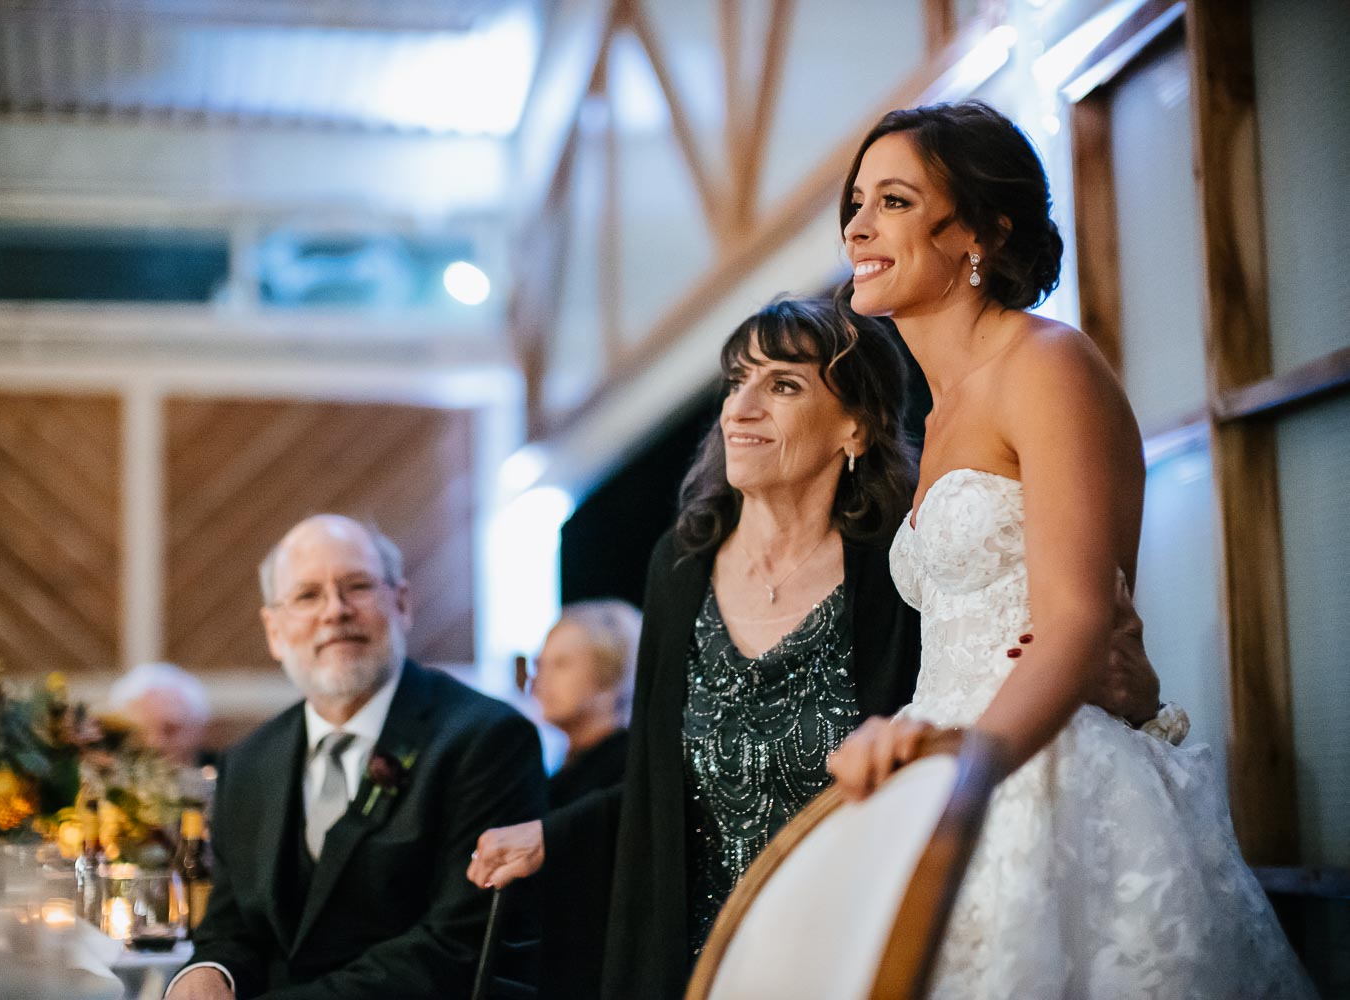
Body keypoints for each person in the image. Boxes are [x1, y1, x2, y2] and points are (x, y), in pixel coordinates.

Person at [468, 298, 1165, 999]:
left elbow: (972, 704)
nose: (740, 407)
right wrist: (556, 835)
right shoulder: (677, 569)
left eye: (783, 385)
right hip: (701, 962)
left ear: (855, 428)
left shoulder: (898, 569)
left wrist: (1117, 688)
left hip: (847, 949)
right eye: (737, 380)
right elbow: (664, 783)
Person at [826, 101, 1312, 997]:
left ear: (980, 228)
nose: (856, 224)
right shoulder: (932, 417)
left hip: (1038, 768)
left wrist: (969, 777)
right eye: (856, 201)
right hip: (938, 760)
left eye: (893, 201)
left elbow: (1083, 617)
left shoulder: (1047, 365)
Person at [168, 514, 546, 1000]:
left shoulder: (485, 740)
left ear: (403, 603)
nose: (335, 611)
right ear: (274, 631)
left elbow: (458, 946)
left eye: (358, 586)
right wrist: (208, 973)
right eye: (307, 596)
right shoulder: (248, 762)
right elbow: (231, 927)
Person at [532, 600, 641, 809]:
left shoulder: (625, 774)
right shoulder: (568, 770)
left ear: (611, 674)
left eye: (561, 664)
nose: (541, 680)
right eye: (540, 665)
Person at [109, 661, 211, 767]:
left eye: (170, 730)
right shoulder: (102, 779)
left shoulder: (224, 777)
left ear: (198, 729)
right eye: (139, 733)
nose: (155, 744)